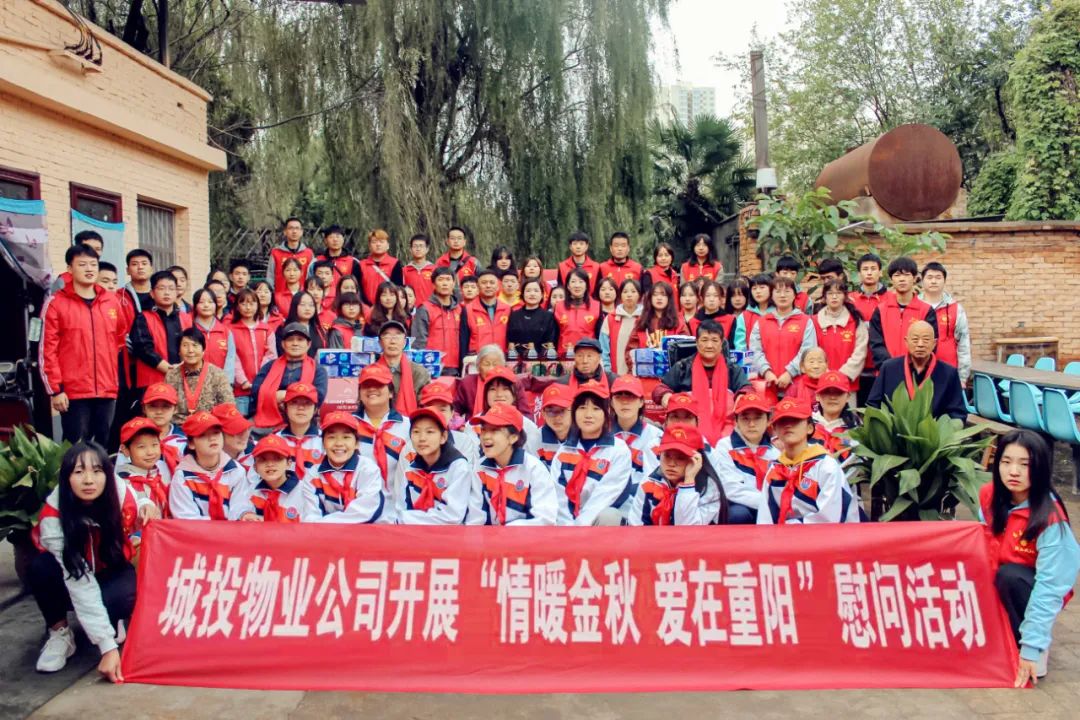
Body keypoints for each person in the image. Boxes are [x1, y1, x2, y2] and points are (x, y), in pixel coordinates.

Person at [28, 443, 144, 680]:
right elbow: (80, 582)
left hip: (108, 567)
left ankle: (112, 620)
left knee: (124, 594)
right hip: (72, 576)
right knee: (40, 568)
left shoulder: (120, 493)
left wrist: (146, 506)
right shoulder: (53, 519)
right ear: (66, 477)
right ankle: (59, 632)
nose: (89, 480)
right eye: (79, 472)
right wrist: (108, 648)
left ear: (107, 474)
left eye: (97, 471)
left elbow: (139, 499)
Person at [980, 430, 1080, 685]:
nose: (1013, 471)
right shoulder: (990, 495)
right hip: (998, 573)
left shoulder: (1050, 520)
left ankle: (1030, 643)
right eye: (1006, 461)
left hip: (1029, 586)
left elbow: (1050, 588)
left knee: (1010, 576)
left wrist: (1032, 648)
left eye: (1025, 465)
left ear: (1041, 469)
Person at [40, 244, 126, 446]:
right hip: (73, 392)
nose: (89, 269)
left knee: (103, 445)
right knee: (76, 446)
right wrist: (56, 390)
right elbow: (47, 350)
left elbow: (119, 338)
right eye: (82, 264)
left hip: (106, 389)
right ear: (70, 269)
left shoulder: (111, 302)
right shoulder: (56, 303)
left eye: (93, 264)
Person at [757, 398, 861, 524]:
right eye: (782, 421)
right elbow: (765, 518)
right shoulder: (774, 470)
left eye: (795, 420)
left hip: (831, 534)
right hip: (785, 534)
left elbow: (830, 518)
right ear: (775, 430)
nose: (788, 425)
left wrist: (788, 528)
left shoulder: (826, 466)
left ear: (810, 428)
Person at [653, 319, 751, 444]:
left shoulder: (732, 369)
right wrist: (666, 396)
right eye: (704, 340)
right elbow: (660, 389)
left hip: (726, 434)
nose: (709, 345)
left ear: (722, 343)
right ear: (697, 343)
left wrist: (743, 396)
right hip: (687, 431)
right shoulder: (682, 367)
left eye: (714, 340)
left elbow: (747, 389)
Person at [549, 382, 633, 526]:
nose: (588, 415)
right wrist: (567, 527)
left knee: (609, 516)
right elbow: (558, 495)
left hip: (600, 520)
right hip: (568, 525)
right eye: (582, 408)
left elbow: (605, 495)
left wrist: (580, 527)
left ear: (607, 413)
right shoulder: (564, 451)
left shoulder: (618, 450)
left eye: (596, 409)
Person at [470, 403, 558, 526]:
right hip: (489, 537)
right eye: (484, 429)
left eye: (494, 430)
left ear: (513, 437)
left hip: (527, 536)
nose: (486, 436)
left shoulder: (533, 469)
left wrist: (508, 532)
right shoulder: (480, 468)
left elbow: (545, 518)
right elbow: (475, 517)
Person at [628, 425, 727, 526]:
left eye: (680, 457)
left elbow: (687, 527)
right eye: (667, 455)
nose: (672, 464)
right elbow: (636, 526)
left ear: (695, 459)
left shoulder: (709, 488)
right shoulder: (648, 484)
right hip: (653, 536)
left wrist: (688, 484)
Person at [867, 320, 967, 420]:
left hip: (933, 428)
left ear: (934, 343)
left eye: (926, 340)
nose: (920, 344)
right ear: (906, 342)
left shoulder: (949, 373)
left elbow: (958, 413)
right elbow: (873, 405)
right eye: (915, 340)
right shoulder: (888, 368)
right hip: (894, 429)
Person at [304, 412, 390, 523]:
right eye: (331, 437)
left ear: (357, 443)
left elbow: (364, 512)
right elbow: (310, 516)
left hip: (368, 531)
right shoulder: (313, 475)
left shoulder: (367, 469)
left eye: (346, 437)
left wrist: (324, 523)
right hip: (325, 532)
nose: (339, 443)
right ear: (323, 444)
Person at [395, 406, 472, 524]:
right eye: (416, 432)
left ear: (443, 437)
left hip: (451, 534)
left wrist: (406, 518)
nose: (422, 438)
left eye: (430, 432)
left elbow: (452, 516)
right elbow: (401, 509)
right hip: (413, 533)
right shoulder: (411, 470)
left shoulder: (458, 468)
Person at [168, 411, 248, 520]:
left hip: (232, 530)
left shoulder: (236, 471)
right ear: (191, 444)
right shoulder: (182, 477)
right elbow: (186, 518)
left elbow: (239, 509)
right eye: (203, 435)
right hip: (196, 531)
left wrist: (244, 515)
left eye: (216, 433)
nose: (212, 439)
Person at [712, 391, 777, 524]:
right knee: (738, 514)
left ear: (768, 420)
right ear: (736, 421)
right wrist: (767, 504)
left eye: (757, 418)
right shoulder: (725, 447)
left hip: (766, 505)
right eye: (745, 418)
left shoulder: (775, 454)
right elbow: (730, 488)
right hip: (736, 505)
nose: (751, 424)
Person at [251, 323, 329, 431]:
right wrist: (275, 397)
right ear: (283, 344)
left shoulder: (318, 369)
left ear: (308, 344)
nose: (295, 343)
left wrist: (285, 396)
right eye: (290, 340)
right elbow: (256, 390)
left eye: (300, 340)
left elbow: (318, 395)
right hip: (268, 422)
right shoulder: (269, 366)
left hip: (303, 423)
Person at [750, 276, 817, 398]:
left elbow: (808, 351)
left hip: (797, 385)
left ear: (794, 295)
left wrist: (790, 373)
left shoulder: (805, 321)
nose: (782, 295)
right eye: (778, 291)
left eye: (787, 291)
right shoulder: (761, 322)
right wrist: (766, 371)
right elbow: (754, 351)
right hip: (767, 385)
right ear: (771, 295)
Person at [868, 256, 938, 368]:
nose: (902, 279)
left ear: (914, 278)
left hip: (916, 371)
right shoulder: (880, 310)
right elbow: (876, 344)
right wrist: (891, 367)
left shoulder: (926, 311)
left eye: (906, 275)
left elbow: (930, 343)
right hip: (886, 370)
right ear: (891, 280)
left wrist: (912, 367)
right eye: (897, 275)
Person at [230, 433, 316, 523]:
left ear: (289, 463)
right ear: (255, 467)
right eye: (263, 460)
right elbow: (238, 508)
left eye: (277, 458)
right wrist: (245, 514)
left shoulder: (304, 492)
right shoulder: (251, 491)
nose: (270, 464)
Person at [129, 270, 192, 394]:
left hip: (183, 379)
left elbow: (194, 346)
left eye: (171, 289)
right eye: (161, 288)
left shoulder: (186, 318)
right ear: (152, 293)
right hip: (152, 382)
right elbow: (143, 349)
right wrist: (169, 369)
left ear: (176, 292)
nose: (167, 292)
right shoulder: (143, 318)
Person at [354, 364, 412, 491]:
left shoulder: (408, 426)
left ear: (391, 392)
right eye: (366, 385)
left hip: (396, 500)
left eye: (379, 384)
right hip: (356, 500)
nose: (371, 389)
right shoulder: (347, 425)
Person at [164, 327, 235, 422]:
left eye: (195, 345)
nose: (190, 350)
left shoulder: (218, 375)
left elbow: (228, 406)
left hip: (209, 426)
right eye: (185, 345)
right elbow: (166, 408)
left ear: (203, 350)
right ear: (179, 352)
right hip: (180, 427)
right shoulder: (171, 376)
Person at [611, 375, 661, 506]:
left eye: (631, 396)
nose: (624, 402)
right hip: (606, 503)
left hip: (641, 505)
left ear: (641, 402)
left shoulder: (656, 436)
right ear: (611, 402)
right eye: (619, 396)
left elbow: (656, 480)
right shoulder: (600, 433)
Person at [919, 261, 971, 385]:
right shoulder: (913, 306)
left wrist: (962, 376)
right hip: (918, 370)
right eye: (929, 277)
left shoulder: (956, 308)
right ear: (922, 281)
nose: (933, 281)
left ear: (944, 281)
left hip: (948, 370)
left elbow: (963, 344)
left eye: (938, 277)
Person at [813, 278, 868, 391]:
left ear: (845, 296)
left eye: (838, 293)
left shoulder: (855, 321)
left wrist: (843, 375)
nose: (834, 297)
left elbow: (860, 352)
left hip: (848, 384)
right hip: (819, 382)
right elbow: (810, 351)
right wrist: (825, 374)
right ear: (824, 297)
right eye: (830, 293)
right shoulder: (813, 322)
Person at [412, 267, 469, 376]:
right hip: (431, 368)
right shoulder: (425, 309)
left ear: (453, 284)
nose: (444, 283)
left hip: (455, 368)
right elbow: (419, 342)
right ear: (433, 284)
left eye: (448, 279)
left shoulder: (460, 310)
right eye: (440, 279)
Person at [229, 288, 277, 416]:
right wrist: (243, 381)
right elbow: (232, 358)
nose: (248, 307)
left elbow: (271, 355)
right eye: (243, 303)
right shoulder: (230, 330)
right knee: (242, 422)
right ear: (237, 307)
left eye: (252, 303)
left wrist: (260, 379)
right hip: (240, 391)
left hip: (262, 388)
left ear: (257, 305)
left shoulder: (266, 330)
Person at [115, 417, 172, 518]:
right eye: (141, 447)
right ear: (125, 450)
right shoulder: (121, 481)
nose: (150, 452)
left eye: (154, 445)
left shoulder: (165, 470)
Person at [454, 345, 532, 417]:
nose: (491, 369)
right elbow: (455, 410)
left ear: (503, 366)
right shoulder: (468, 383)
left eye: (495, 364)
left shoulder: (513, 382)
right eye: (486, 364)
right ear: (478, 367)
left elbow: (526, 414)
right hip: (475, 425)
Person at [420, 380, 480, 465]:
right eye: (431, 409)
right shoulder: (412, 446)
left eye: (442, 410)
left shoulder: (463, 442)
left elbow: (465, 471)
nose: (437, 414)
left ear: (452, 413)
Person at [377, 320, 430, 415]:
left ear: (405, 342)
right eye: (387, 336)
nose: (392, 341)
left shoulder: (419, 373)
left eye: (397, 336)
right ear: (380, 342)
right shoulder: (371, 372)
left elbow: (426, 406)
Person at [274, 382, 324, 478]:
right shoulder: (276, 440)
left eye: (307, 403)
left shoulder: (324, 441)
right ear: (285, 407)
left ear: (315, 409)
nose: (301, 408)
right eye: (294, 402)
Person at [811, 371, 860, 465]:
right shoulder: (805, 426)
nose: (833, 397)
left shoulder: (857, 429)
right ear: (817, 396)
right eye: (827, 392)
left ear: (848, 397)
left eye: (838, 392)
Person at [189, 288, 236, 379]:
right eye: (201, 302)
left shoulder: (225, 331)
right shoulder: (190, 330)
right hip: (195, 381)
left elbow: (230, 358)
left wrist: (226, 381)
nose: (206, 305)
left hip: (221, 381)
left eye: (210, 302)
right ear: (195, 305)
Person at [553, 268, 601, 357]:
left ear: (586, 285)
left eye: (581, 282)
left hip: (588, 356)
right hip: (563, 355)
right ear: (568, 286)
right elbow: (554, 335)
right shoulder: (559, 307)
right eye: (573, 281)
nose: (577, 285)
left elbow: (600, 335)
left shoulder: (597, 306)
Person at [507, 278, 559, 358]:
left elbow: (551, 342)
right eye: (528, 291)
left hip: (542, 360)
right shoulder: (514, 315)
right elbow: (510, 341)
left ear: (542, 294)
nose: (532, 294)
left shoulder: (548, 316)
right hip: (517, 360)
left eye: (536, 291)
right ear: (522, 294)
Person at [599, 278, 642, 375]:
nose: (629, 295)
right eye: (625, 292)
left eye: (633, 291)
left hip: (640, 375)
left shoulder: (646, 319)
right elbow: (603, 348)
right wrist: (608, 372)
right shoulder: (611, 318)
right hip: (616, 374)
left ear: (639, 295)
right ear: (620, 295)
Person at [278, 291, 342, 355]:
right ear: (294, 306)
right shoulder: (283, 329)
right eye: (303, 304)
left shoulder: (320, 330)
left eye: (311, 305)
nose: (307, 308)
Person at [631, 281, 688, 351]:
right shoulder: (641, 322)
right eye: (655, 295)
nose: (659, 298)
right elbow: (630, 351)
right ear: (650, 298)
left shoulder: (678, 322)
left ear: (669, 298)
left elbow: (685, 348)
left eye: (663, 295)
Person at [140, 383, 185, 471]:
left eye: (166, 406)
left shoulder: (184, 439)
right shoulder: (133, 437)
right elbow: (121, 472)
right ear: (144, 408)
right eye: (153, 406)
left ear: (175, 409)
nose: (159, 412)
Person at [465, 267, 512, 352]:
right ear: (478, 286)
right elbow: (464, 340)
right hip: (477, 357)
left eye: (492, 282)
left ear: (498, 286)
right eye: (484, 283)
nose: (488, 286)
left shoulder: (507, 309)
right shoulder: (468, 310)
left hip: (501, 356)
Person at [358, 228, 404, 306]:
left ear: (388, 245)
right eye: (374, 242)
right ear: (369, 246)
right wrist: (367, 306)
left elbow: (398, 288)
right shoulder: (361, 265)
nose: (378, 244)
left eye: (381, 242)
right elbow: (358, 289)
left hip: (389, 307)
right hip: (366, 308)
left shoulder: (395, 264)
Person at [266, 217, 315, 291]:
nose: (294, 231)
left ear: (301, 232)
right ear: (285, 232)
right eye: (291, 228)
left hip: (303, 296)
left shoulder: (308, 253)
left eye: (297, 228)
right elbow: (270, 276)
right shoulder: (276, 252)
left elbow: (312, 277)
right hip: (280, 295)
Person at [536, 383, 574, 469]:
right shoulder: (535, 439)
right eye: (550, 411)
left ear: (573, 411)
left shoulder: (585, 437)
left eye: (562, 410)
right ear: (543, 414)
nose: (557, 417)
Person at [213, 403, 255, 473]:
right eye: (237, 431)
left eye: (246, 428)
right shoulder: (209, 464)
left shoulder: (259, 451)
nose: (244, 435)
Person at [849, 252, 887, 321]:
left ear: (880, 273)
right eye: (865, 269)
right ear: (859, 274)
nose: (869, 273)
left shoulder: (891, 298)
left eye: (873, 269)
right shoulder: (850, 299)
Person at [726, 276, 752, 349]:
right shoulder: (724, 317)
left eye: (740, 295)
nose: (737, 299)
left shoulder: (751, 316)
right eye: (733, 296)